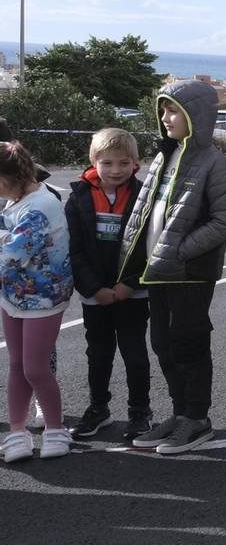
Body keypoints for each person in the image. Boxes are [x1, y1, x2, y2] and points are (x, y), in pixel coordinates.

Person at [123, 80, 226, 456]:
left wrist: (179, 251)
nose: (165, 117)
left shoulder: (215, 163)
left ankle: (197, 419)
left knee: (188, 345)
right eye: (163, 110)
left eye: (173, 110)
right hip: (157, 271)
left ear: (197, 116)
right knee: (163, 344)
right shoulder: (163, 156)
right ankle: (179, 413)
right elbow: (143, 211)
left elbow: (225, 221)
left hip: (189, 271)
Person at [65, 128, 151, 443]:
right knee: (98, 354)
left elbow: (147, 245)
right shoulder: (78, 198)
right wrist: (94, 289)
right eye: (107, 163)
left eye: (124, 163)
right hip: (95, 295)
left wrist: (129, 283)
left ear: (135, 163)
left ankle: (140, 412)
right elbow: (72, 249)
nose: (116, 170)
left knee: (134, 353)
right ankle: (98, 408)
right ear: (93, 161)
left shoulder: (145, 195)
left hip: (133, 293)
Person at [1, 142, 75, 463]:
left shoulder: (41, 206)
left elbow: (13, 256)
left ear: (5, 181)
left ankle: (55, 428)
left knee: (35, 368)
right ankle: (18, 431)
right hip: (14, 297)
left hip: (43, 299)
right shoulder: (18, 201)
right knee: (17, 365)